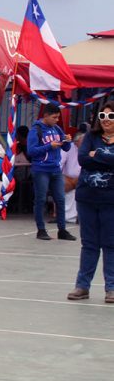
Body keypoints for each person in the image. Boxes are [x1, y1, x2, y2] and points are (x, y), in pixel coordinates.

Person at [67, 102, 114, 303]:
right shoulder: (90, 138)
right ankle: (82, 286)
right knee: (89, 244)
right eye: (103, 116)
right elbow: (83, 159)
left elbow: (93, 158)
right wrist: (106, 157)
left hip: (110, 200)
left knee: (111, 244)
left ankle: (111, 288)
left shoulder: (96, 145)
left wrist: (99, 154)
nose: (106, 120)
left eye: (111, 116)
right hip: (86, 198)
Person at [26, 104, 77, 241]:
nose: (56, 120)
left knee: (60, 199)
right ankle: (41, 230)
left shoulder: (57, 129)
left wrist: (67, 141)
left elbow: (65, 148)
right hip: (41, 169)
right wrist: (49, 146)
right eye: (54, 117)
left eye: (58, 117)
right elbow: (31, 151)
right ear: (46, 116)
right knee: (40, 199)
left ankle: (62, 230)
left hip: (55, 169)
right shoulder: (35, 130)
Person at [60, 123, 84, 225]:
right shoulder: (68, 148)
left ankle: (79, 216)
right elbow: (59, 166)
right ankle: (69, 217)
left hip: (82, 178)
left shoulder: (89, 149)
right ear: (77, 142)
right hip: (67, 178)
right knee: (63, 183)